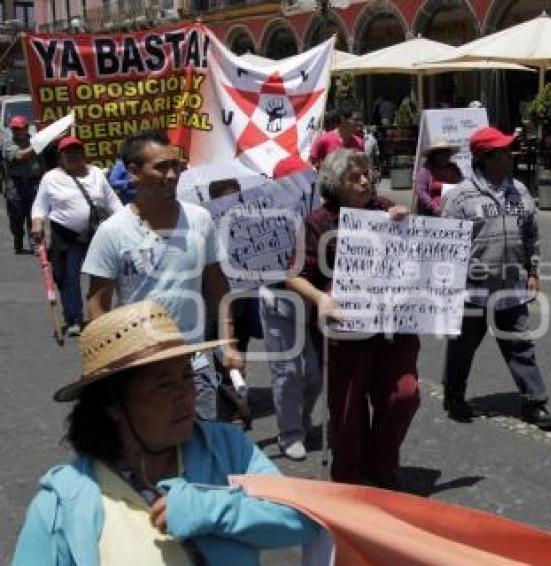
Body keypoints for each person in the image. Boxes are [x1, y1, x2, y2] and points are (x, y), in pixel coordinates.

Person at [12, 301, 320, 564]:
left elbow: (301, 519)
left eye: (186, 376)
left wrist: (212, 509)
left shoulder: (228, 449)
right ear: (112, 404)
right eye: (162, 384)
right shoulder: (62, 505)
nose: (185, 395)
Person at [83, 129, 244, 422]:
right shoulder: (113, 232)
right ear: (133, 172)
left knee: (202, 446)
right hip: (140, 364)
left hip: (193, 363)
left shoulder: (200, 219)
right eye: (161, 167)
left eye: (176, 166)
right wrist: (108, 362)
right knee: (153, 450)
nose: (172, 175)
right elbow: (97, 306)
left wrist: (228, 343)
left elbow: (219, 286)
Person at [286, 149, 420, 486]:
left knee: (404, 395)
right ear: (335, 183)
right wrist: (320, 299)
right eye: (354, 177)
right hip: (346, 331)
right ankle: (350, 478)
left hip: (393, 327)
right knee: (347, 409)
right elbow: (295, 275)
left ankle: (382, 465)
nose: (364, 181)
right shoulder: (318, 222)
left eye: (366, 175)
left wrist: (410, 222)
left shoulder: (386, 209)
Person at [441, 126, 551, 430]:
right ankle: (454, 396)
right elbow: (446, 246)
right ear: (485, 156)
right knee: (462, 346)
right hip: (472, 290)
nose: (511, 154)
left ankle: (535, 402)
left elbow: (532, 234)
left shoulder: (519, 191)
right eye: (504, 150)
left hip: (511, 286)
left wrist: (533, 271)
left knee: (519, 344)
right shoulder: (460, 197)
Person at [30, 136, 123, 336]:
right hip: (66, 235)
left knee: (103, 275)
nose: (73, 156)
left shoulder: (96, 173)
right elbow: (40, 205)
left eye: (77, 152)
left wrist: (126, 220)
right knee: (68, 277)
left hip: (96, 233)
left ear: (83, 154)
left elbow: (113, 202)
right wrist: (37, 222)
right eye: (68, 153)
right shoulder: (51, 178)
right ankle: (74, 318)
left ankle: (99, 314)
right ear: (60, 157)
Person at [3, 115, 42, 254]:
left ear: (26, 128)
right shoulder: (8, 142)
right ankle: (18, 237)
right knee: (16, 217)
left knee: (34, 214)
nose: (17, 131)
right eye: (14, 129)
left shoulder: (35, 140)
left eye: (20, 129)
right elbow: (19, 156)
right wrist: (37, 146)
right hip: (16, 185)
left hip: (34, 183)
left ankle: (34, 244)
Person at [414, 137, 463, 216]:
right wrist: (433, 206)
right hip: (432, 211)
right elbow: (421, 191)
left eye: (446, 154)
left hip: (453, 208)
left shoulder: (454, 168)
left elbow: (461, 185)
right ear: (433, 155)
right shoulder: (426, 170)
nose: (444, 156)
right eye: (441, 154)